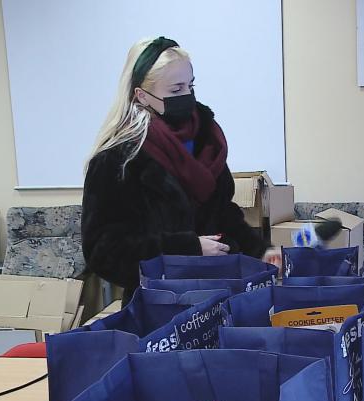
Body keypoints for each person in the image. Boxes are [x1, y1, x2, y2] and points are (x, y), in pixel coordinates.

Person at [82, 37, 279, 305]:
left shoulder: (206, 141)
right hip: (160, 308)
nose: (187, 96)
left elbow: (223, 214)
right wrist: (188, 249)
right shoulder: (117, 160)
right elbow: (104, 253)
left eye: (190, 85)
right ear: (142, 95)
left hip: (221, 296)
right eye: (176, 89)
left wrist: (261, 253)